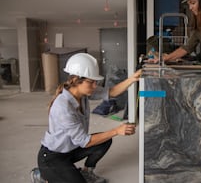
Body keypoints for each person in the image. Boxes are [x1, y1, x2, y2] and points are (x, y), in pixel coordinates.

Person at [31, 53, 142, 183]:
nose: (95, 86)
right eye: (91, 82)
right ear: (77, 80)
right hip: (52, 156)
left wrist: (133, 79)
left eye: (95, 82)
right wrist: (116, 131)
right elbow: (85, 141)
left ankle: (86, 171)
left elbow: (110, 92)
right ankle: (42, 175)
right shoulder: (63, 107)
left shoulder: (83, 92)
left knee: (105, 140)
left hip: (71, 149)